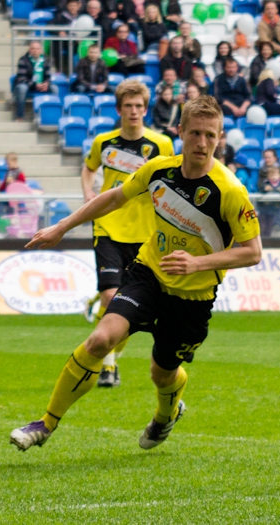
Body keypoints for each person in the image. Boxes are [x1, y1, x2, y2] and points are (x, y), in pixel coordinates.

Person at [10, 95, 261, 452]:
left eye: (210, 135)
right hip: (148, 274)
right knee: (100, 340)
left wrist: (197, 264)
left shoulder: (231, 191)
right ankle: (45, 423)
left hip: (193, 297)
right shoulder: (158, 170)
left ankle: (165, 416)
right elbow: (114, 197)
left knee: (162, 373)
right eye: (195, 133)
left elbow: (253, 252)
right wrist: (62, 227)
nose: (202, 143)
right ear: (180, 132)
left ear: (220, 137)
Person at [76, 80, 176, 387]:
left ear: (145, 110)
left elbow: (170, 181)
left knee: (127, 303)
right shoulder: (103, 142)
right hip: (107, 226)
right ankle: (107, 366)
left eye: (138, 106)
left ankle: (111, 359)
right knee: (112, 295)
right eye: (128, 106)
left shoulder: (162, 144)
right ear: (119, 109)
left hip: (145, 232)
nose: (133, 111)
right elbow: (88, 169)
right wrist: (88, 192)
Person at [13, 41, 58, 122]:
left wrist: (46, 84)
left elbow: (48, 76)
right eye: (33, 49)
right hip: (27, 85)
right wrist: (35, 85)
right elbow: (22, 78)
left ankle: (54, 115)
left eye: (37, 49)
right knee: (22, 88)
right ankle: (20, 116)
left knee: (55, 88)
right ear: (29, 50)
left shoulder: (46, 60)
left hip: (42, 85)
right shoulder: (23, 60)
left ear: (41, 50)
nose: (35, 51)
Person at [258, 151, 280, 237]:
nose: (267, 159)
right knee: (264, 225)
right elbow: (260, 185)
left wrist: (279, 188)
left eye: (269, 157)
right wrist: (265, 188)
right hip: (264, 204)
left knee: (274, 225)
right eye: (265, 157)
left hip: (277, 205)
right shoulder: (262, 170)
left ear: (275, 158)